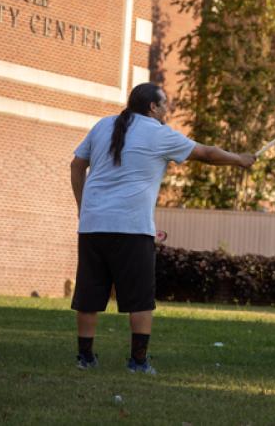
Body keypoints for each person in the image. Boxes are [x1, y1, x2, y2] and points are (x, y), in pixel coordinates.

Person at [70, 82, 256, 374]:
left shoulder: (103, 125)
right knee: (140, 298)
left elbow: (76, 166)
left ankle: (85, 359)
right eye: (165, 104)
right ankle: (138, 362)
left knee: (89, 294)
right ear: (153, 107)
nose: (167, 109)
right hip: (132, 228)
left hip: (93, 226)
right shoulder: (159, 134)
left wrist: (83, 208)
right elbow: (206, 154)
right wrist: (240, 160)